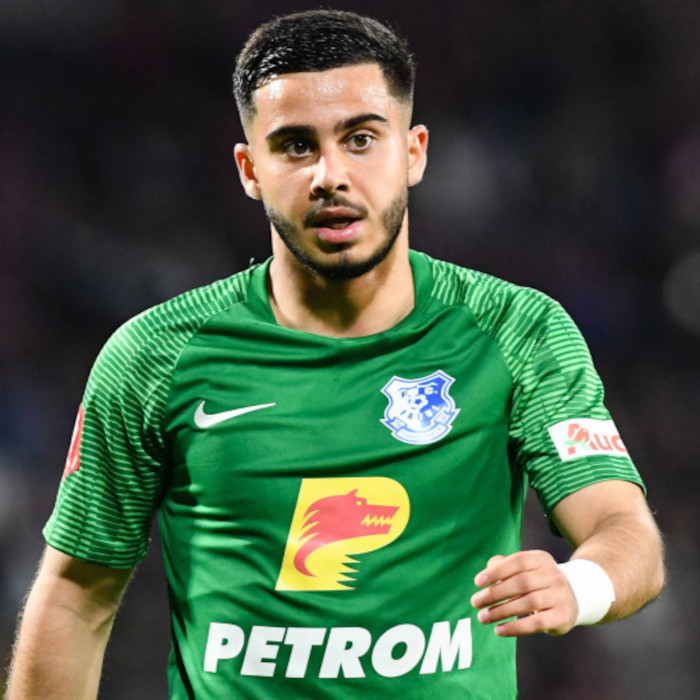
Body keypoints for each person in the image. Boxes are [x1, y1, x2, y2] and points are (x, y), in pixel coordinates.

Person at [6, 9, 665, 700]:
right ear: (250, 169)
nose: (330, 174)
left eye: (361, 139)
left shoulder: (516, 331)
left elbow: (624, 530)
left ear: (413, 153)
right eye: (295, 145)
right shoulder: (155, 357)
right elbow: (76, 598)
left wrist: (581, 585)